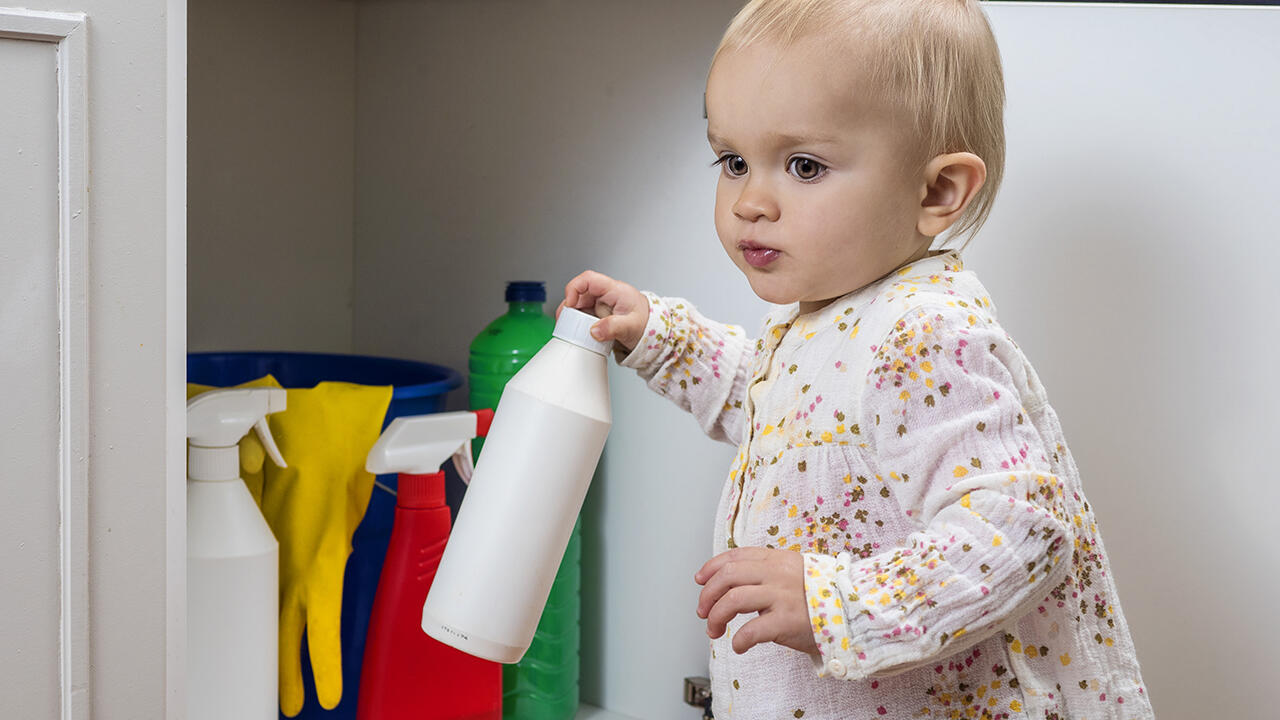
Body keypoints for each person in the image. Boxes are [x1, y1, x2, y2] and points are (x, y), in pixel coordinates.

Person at [560, 0, 1153, 717]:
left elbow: (1023, 531)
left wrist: (836, 602)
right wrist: (662, 335)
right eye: (734, 161)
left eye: (803, 165)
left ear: (936, 191)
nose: (751, 201)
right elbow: (793, 420)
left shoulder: (921, 333)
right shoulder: (833, 318)